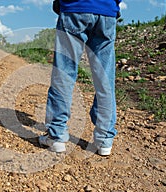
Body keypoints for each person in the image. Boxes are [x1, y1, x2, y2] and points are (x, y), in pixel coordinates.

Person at [39, 0, 121, 156]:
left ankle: (56, 136)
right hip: (107, 11)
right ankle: (104, 139)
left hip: (74, 7)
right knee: (105, 78)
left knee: (64, 73)